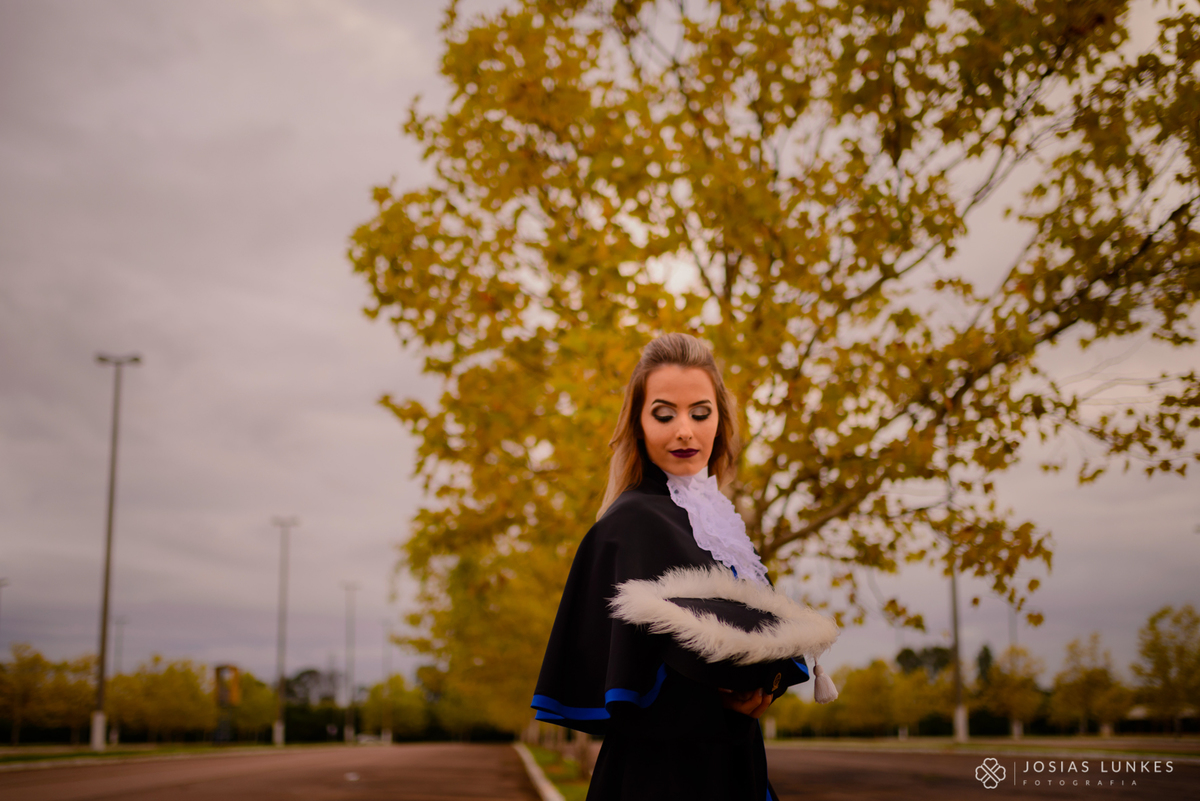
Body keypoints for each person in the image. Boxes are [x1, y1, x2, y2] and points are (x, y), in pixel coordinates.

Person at [531, 332, 838, 801]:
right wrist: (718, 700)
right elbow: (628, 683)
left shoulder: (724, 527)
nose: (684, 431)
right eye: (663, 414)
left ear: (720, 422)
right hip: (657, 780)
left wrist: (760, 688)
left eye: (700, 413)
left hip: (737, 767)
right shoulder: (628, 523)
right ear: (638, 424)